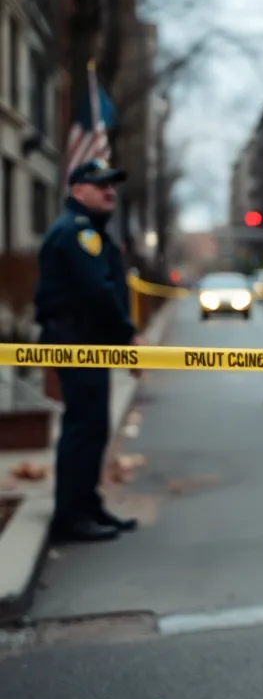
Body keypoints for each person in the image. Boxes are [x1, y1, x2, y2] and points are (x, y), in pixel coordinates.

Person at [34, 159, 142, 544]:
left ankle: (86, 504)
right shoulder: (79, 233)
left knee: (93, 426)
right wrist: (127, 336)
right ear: (78, 191)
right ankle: (71, 515)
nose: (110, 190)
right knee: (83, 427)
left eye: (112, 184)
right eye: (100, 185)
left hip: (87, 342)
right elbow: (98, 292)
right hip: (77, 343)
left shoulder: (87, 231)